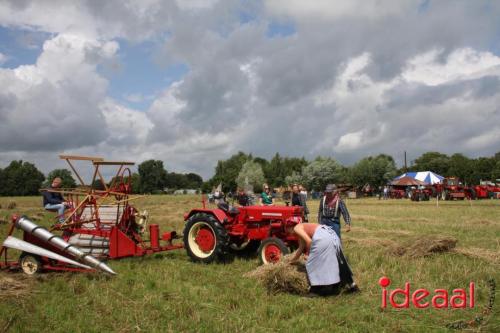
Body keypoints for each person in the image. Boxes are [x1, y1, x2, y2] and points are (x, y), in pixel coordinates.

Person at [289, 223, 359, 296]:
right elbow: (301, 248)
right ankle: (350, 286)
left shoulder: (296, 228)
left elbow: (309, 241)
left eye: (287, 230)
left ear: (289, 227)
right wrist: (292, 260)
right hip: (332, 235)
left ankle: (316, 290)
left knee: (312, 263)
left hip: (322, 237)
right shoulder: (303, 227)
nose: (288, 233)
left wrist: (308, 255)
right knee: (338, 262)